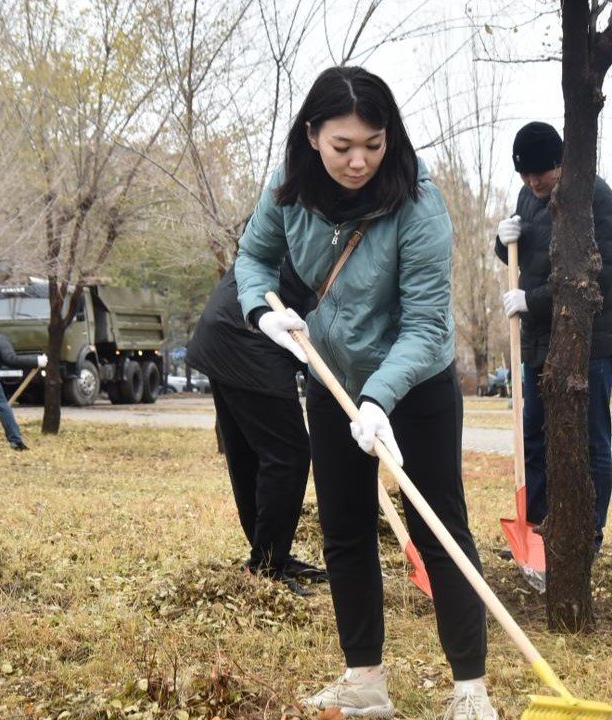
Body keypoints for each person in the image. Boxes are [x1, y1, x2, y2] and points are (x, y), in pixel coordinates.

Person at [235, 66, 495, 720]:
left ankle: (470, 689)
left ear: (390, 137)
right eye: (342, 145)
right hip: (332, 379)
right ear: (312, 135)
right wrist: (261, 312)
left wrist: (380, 399)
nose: (358, 161)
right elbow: (253, 257)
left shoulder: (418, 202)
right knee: (345, 529)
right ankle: (365, 682)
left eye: (373, 145)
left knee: (438, 529)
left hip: (417, 385)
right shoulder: (290, 188)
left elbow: (426, 323)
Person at [493, 121, 612, 552]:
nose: (533, 182)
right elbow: (525, 256)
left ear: (562, 162)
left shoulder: (596, 200)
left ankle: (589, 534)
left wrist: (531, 300)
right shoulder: (527, 197)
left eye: (541, 173)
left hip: (592, 342)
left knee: (589, 439)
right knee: (534, 434)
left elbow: (596, 277)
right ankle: (537, 530)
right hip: (539, 342)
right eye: (525, 175)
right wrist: (503, 243)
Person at [186, 258, 326, 597]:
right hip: (247, 337)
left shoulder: (299, 233)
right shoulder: (318, 235)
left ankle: (267, 557)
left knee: (250, 455)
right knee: (289, 455)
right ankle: (267, 563)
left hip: (221, 331)